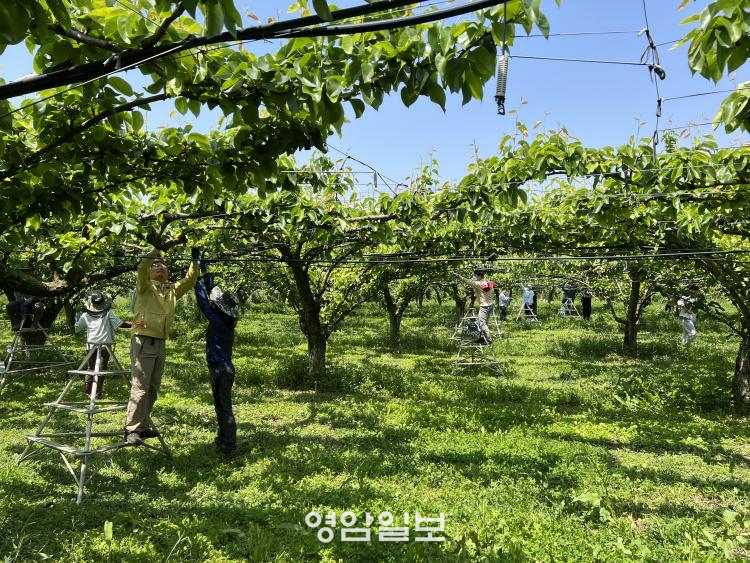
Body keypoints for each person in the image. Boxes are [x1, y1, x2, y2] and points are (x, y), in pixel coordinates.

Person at [125, 247, 199, 445]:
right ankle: (131, 429)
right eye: (155, 265)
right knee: (140, 386)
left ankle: (142, 425)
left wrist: (194, 260)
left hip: (160, 341)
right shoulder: (145, 286)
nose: (159, 267)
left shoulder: (172, 289)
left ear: (168, 271)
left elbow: (190, 280)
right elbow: (142, 267)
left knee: (153, 388)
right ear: (149, 271)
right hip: (143, 338)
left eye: (162, 265)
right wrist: (155, 250)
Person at [195, 258, 241, 460]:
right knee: (221, 407)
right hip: (226, 368)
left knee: (225, 409)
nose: (213, 303)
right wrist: (204, 269)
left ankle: (230, 446)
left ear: (219, 307)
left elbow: (202, 300)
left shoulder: (215, 318)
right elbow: (214, 291)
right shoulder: (227, 319)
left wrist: (194, 277)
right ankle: (223, 440)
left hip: (218, 369)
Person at [74, 290, 131, 399]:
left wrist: (77, 319)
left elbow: (77, 328)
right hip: (105, 346)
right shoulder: (108, 313)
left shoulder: (85, 315)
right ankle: (97, 392)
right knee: (101, 369)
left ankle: (88, 391)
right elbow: (119, 324)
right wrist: (132, 325)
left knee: (91, 368)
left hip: (91, 345)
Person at [6, 263, 46, 343]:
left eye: (29, 270)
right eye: (25, 271)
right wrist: (22, 300)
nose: (27, 272)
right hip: (21, 303)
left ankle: (34, 324)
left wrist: (33, 298)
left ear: (32, 271)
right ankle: (15, 323)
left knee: (39, 306)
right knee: (10, 306)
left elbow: (42, 294)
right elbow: (16, 292)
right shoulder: (19, 280)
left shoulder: (38, 280)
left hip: (33, 303)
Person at [454, 269, 496, 344]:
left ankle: (488, 340)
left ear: (479, 276)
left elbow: (467, 281)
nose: (474, 276)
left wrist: (459, 276)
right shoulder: (487, 281)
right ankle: (483, 338)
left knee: (482, 323)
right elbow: (492, 285)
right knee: (485, 322)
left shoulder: (478, 283)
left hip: (484, 305)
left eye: (475, 275)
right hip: (490, 304)